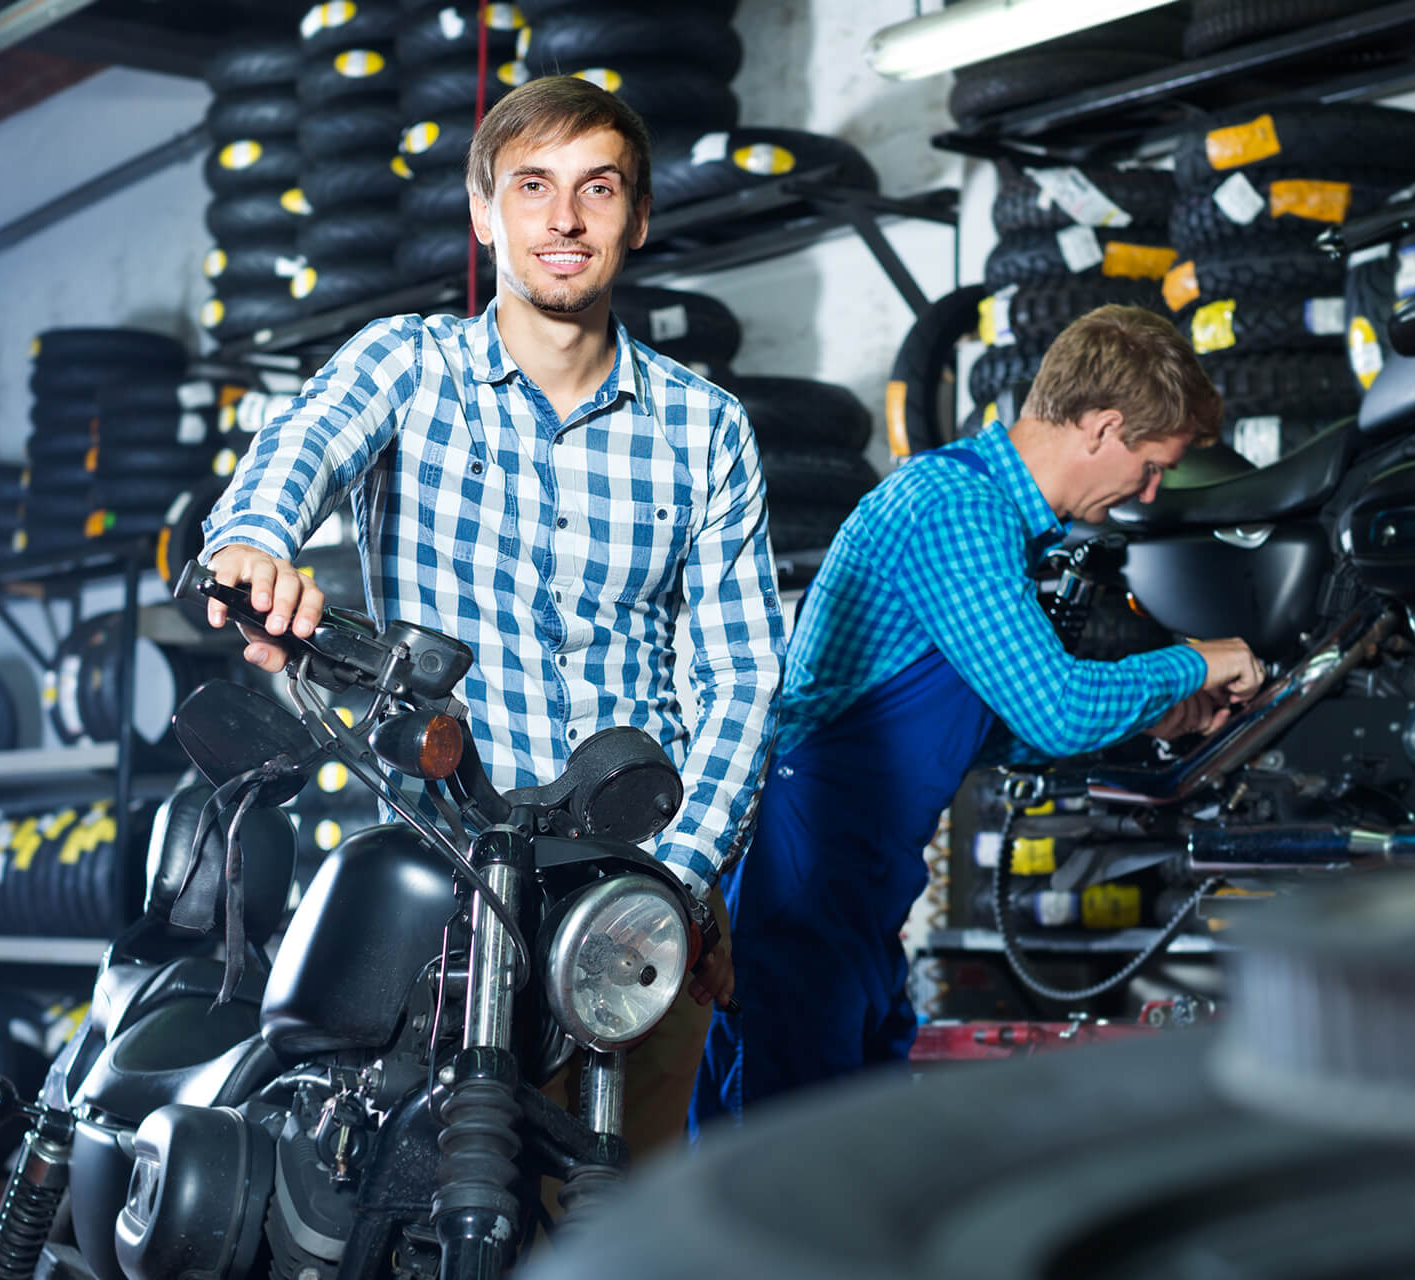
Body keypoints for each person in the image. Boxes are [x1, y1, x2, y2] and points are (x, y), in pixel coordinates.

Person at [196, 75, 784, 1161]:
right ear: (485, 215)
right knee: (381, 1199)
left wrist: (683, 880)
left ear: (637, 217)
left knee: (616, 1218)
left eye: (596, 189)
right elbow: (297, 452)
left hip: (625, 898)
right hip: (431, 869)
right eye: (532, 187)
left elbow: (741, 676)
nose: (564, 219)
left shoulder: (706, 430)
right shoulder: (408, 365)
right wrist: (254, 543)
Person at [693, 304, 1266, 1130]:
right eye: (1150, 466)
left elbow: (1006, 723)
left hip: (858, 876)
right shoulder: (956, 509)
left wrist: (1159, 718)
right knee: (788, 1149)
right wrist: (1199, 658)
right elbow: (1061, 711)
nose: (1147, 493)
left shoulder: (992, 519)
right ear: (1104, 428)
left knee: (843, 1130)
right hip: (808, 861)